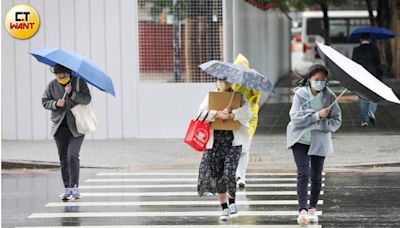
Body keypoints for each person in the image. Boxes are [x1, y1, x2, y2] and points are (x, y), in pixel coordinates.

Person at [287, 64, 342, 225]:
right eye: (316, 79)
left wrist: (323, 125)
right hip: (300, 139)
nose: (320, 83)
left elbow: (336, 120)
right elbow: (295, 118)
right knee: (303, 174)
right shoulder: (300, 95)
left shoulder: (329, 96)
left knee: (316, 176)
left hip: (319, 141)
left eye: (323, 80)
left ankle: (312, 208)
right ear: (309, 79)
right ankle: (302, 209)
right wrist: (317, 115)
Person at [197, 78, 252, 221]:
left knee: (229, 173)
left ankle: (232, 203)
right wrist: (217, 113)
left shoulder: (238, 97)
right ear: (216, 82)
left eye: (227, 81)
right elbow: (200, 115)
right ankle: (224, 208)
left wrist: (232, 114)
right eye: (220, 80)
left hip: (233, 143)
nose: (223, 83)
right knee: (219, 176)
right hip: (214, 144)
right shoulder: (210, 97)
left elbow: (248, 114)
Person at [42, 64, 91, 201]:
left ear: (68, 72)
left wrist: (72, 94)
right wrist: (56, 104)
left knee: (72, 156)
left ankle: (75, 188)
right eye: (57, 74)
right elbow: (44, 101)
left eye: (62, 74)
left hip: (77, 127)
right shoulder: (52, 85)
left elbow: (87, 99)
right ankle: (67, 188)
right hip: (59, 128)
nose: (60, 77)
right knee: (63, 158)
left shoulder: (79, 82)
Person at [231, 53, 261, 188]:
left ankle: (241, 176)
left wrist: (253, 85)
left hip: (249, 118)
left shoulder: (252, 80)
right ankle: (235, 174)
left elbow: (255, 99)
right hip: (234, 117)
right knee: (234, 146)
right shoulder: (231, 80)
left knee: (245, 148)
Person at [352, 33, 381, 127]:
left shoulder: (356, 50)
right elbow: (378, 63)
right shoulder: (375, 49)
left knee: (362, 97)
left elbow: (354, 63)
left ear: (360, 39)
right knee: (374, 96)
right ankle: (371, 111)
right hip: (373, 75)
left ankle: (364, 121)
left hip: (361, 76)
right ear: (370, 39)